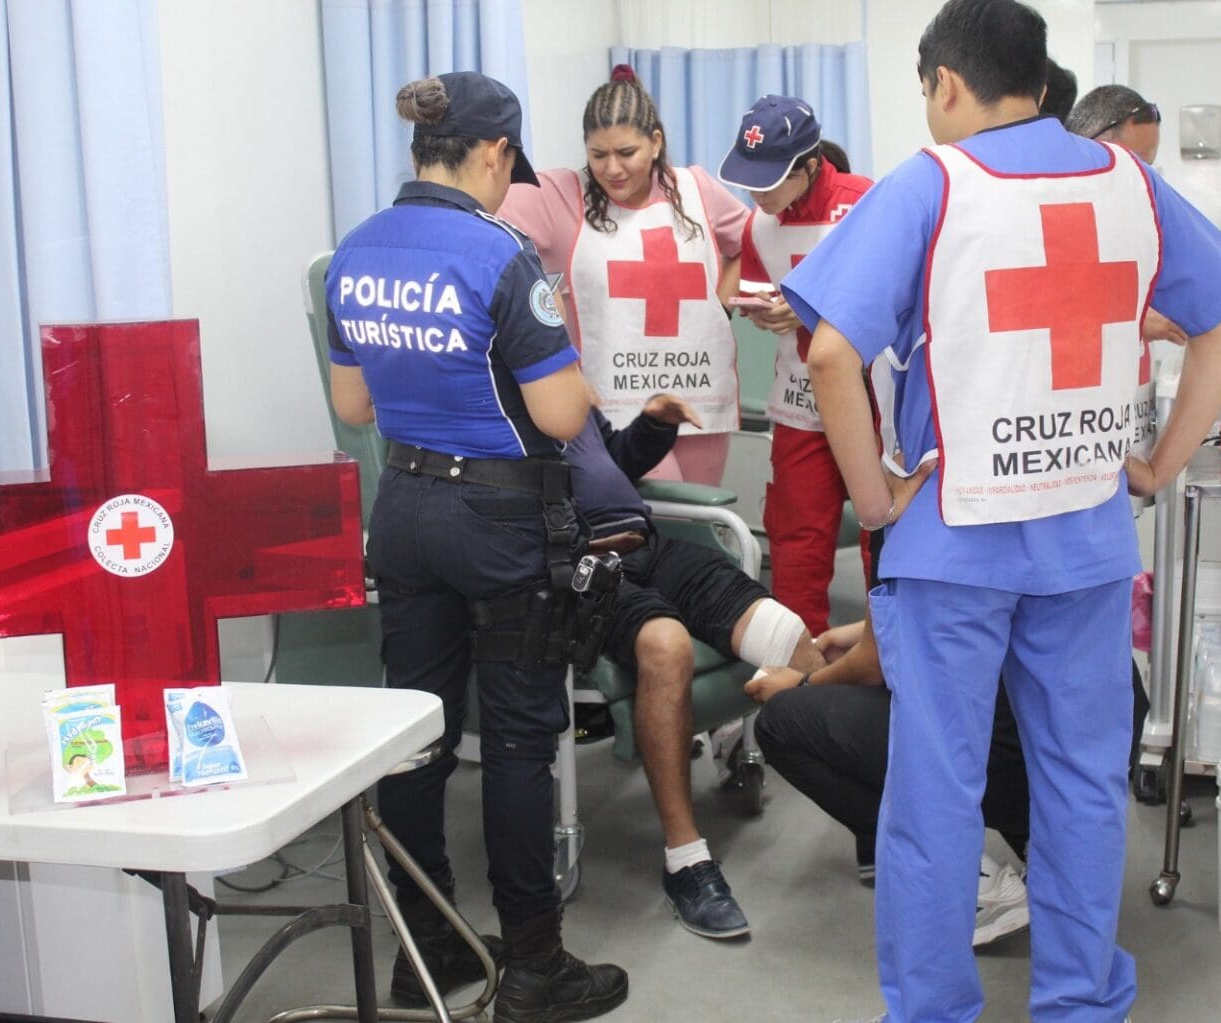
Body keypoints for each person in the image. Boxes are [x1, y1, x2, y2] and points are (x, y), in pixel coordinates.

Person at [782, 1, 1221, 1019]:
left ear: (946, 84)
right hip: (1083, 541)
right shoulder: (1131, 182)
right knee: (1082, 785)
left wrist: (874, 500)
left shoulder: (931, 184)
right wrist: (1161, 464)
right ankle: (1081, 1001)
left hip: (953, 544)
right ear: (1040, 82)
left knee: (935, 797)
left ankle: (937, 1008)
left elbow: (827, 351)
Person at [324, 71, 627, 1023]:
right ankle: (536, 966)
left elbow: (352, 406)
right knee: (518, 742)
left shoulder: (354, 250)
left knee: (417, 739)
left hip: (404, 512)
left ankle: (430, 952)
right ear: (494, 153)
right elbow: (560, 408)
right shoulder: (503, 257)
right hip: (498, 522)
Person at [563, 391, 824, 939]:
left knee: (788, 633)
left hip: (649, 547)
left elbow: (613, 462)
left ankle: (874, 816)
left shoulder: (563, 386)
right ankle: (686, 860)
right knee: (668, 645)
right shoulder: (485, 407)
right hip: (582, 567)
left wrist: (653, 426)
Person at [498, 66, 750, 486]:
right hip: (615, 409)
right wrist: (547, 299)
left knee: (701, 523)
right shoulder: (560, 193)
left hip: (697, 394)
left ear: (655, 142)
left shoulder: (697, 188)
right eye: (598, 155)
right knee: (661, 519)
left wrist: (722, 306)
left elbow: (752, 242)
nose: (612, 168)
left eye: (626, 153)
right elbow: (480, 219)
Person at [748, 616, 1033, 947]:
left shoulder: (899, 560)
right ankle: (1045, 851)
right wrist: (862, 631)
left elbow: (873, 664)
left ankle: (967, 883)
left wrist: (803, 682)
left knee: (782, 722)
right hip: (1060, 759)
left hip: (993, 761)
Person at [715, 95, 877, 635]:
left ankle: (883, 663)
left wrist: (809, 311)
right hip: (800, 405)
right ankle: (797, 674)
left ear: (808, 167)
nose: (756, 194)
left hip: (872, 404)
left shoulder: (866, 205)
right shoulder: (757, 226)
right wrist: (768, 314)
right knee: (796, 544)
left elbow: (898, 301)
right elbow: (766, 295)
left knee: (887, 539)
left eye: (769, 181)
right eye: (749, 180)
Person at [1067, 86, 1187, 347]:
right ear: (1087, 142)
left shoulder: (1139, 210)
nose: (1140, 176)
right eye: (1132, 163)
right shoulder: (1050, 207)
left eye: (1147, 167)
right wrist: (1132, 317)